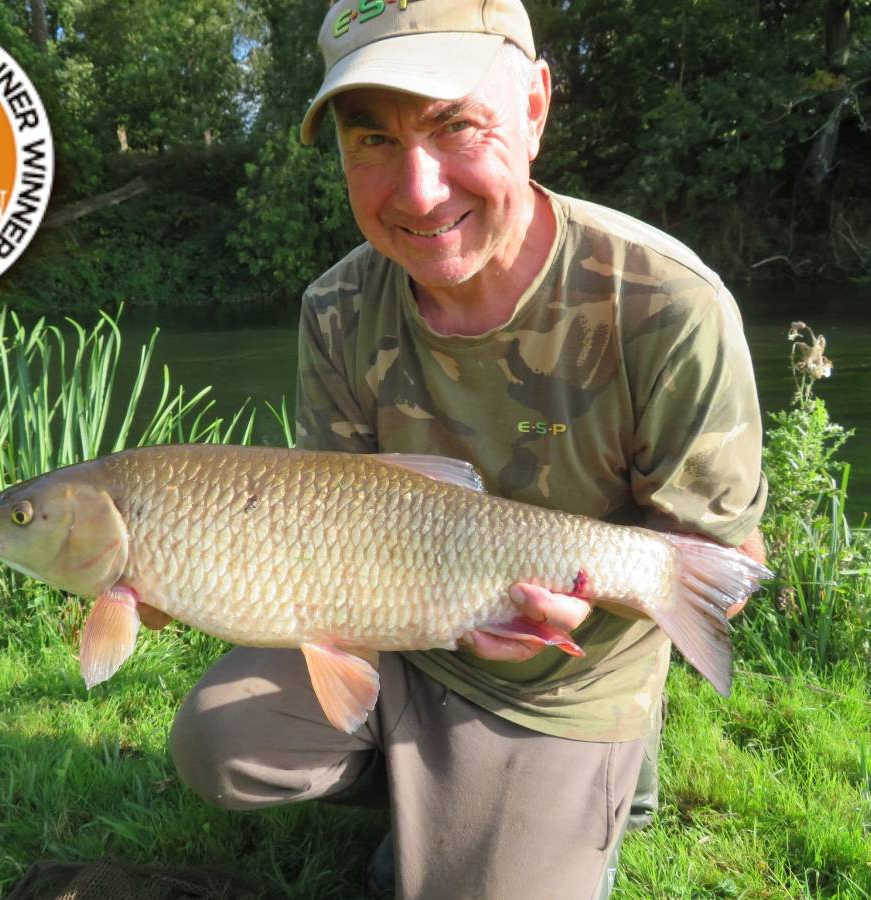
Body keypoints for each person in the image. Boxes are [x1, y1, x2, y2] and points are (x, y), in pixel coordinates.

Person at [164, 1, 769, 897]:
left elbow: (722, 561)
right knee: (221, 741)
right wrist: (192, 568)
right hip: (400, 635)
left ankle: (597, 779)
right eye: (370, 140)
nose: (416, 191)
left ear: (533, 108)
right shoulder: (335, 309)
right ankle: (445, 794)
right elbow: (322, 521)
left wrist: (569, 620)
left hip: (564, 672)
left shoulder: (668, 304)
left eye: (455, 125)